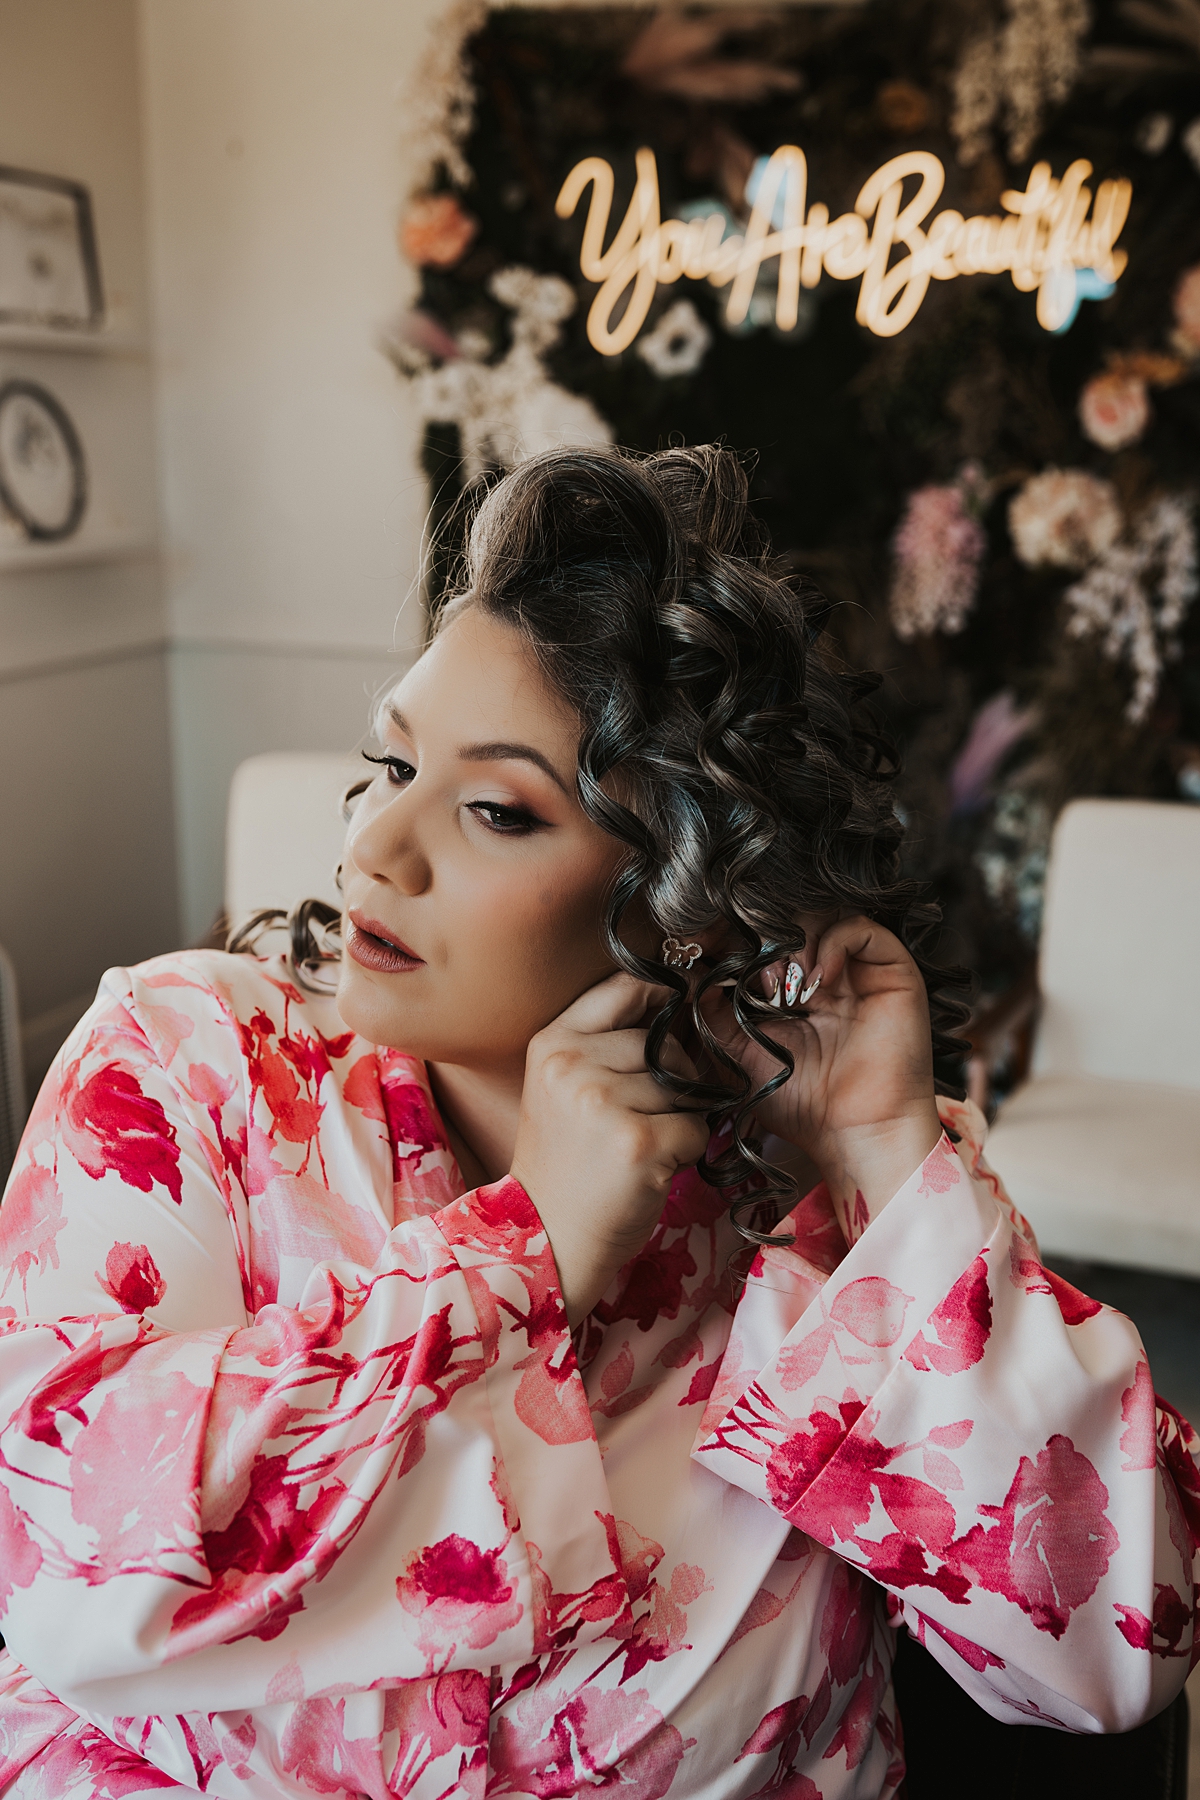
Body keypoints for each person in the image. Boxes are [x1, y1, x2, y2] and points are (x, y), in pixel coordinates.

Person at [0, 445, 1194, 1800]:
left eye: (496, 810)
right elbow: (63, 1574)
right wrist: (522, 1256)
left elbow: (1110, 1662)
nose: (376, 849)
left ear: (681, 896)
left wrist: (878, 1152)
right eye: (391, 763)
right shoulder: (186, 1067)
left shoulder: (823, 1218)